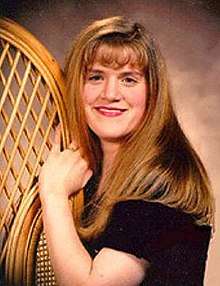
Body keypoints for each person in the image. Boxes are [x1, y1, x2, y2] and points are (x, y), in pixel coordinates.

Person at [39, 16, 215, 286]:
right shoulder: (88, 173)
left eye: (129, 80)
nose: (110, 93)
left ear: (152, 92)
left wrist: (53, 195)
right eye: (96, 77)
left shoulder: (163, 184)